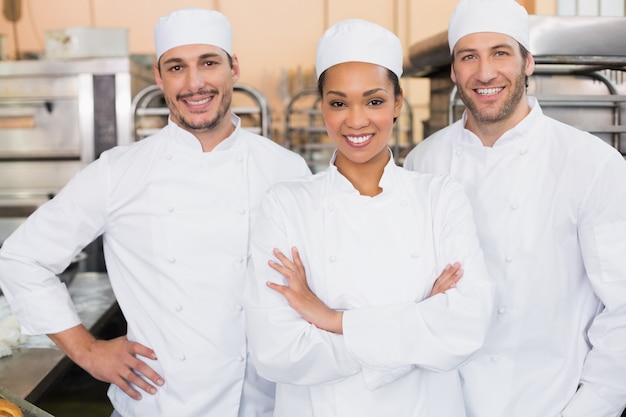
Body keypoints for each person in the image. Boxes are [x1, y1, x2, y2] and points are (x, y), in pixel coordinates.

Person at [0, 8, 310, 417]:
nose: (194, 83)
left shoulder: (286, 170)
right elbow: (22, 257)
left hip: (263, 405)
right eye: (177, 67)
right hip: (157, 404)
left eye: (209, 63)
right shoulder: (120, 171)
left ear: (234, 68)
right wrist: (88, 350)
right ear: (160, 78)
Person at [244, 18, 495, 417]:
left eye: (374, 101)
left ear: (397, 103)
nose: (356, 119)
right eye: (338, 102)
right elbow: (276, 351)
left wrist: (330, 319)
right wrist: (418, 323)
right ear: (322, 106)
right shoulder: (285, 205)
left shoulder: (440, 198)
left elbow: (467, 327)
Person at [403, 1, 626, 416]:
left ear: (528, 62)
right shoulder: (422, 162)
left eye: (501, 53)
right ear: (453, 71)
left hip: (551, 403)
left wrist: (591, 407)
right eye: (469, 57)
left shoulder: (592, 164)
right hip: (445, 404)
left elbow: (622, 308)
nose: (485, 73)